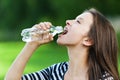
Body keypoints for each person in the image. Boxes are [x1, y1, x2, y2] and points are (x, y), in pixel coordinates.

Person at [5, 8, 120, 80]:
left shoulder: (104, 78)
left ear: (88, 40)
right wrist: (32, 44)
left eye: (78, 21)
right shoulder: (56, 71)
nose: (68, 21)